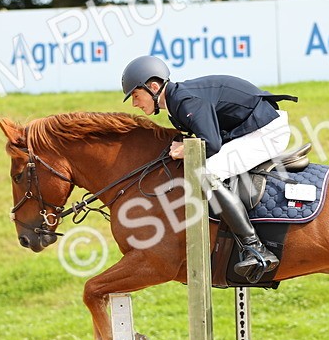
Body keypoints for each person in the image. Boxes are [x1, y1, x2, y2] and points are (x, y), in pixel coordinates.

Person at [121, 55, 297, 282]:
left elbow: (211, 144)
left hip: (266, 132)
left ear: (153, 87)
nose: (135, 103)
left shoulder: (184, 101)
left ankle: (255, 247)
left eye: (136, 96)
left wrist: (185, 148)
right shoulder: (176, 103)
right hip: (254, 127)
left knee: (208, 174)